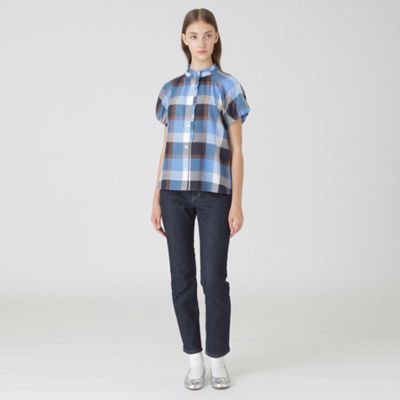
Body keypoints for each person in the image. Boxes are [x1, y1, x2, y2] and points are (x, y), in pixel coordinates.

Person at [150, 8, 251, 390]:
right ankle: (194, 360)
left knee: (213, 279)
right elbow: (165, 148)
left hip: (214, 193)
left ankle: (217, 358)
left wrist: (237, 202)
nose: (201, 42)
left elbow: (237, 151)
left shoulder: (228, 86)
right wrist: (156, 197)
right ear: (184, 40)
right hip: (173, 192)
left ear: (216, 37)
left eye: (208, 35)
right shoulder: (170, 90)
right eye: (194, 35)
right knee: (181, 277)